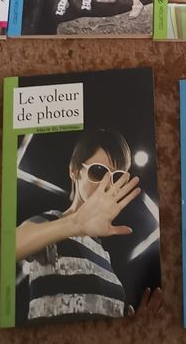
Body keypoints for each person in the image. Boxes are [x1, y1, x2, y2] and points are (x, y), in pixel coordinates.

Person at [15, 128, 154, 323]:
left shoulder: (104, 254)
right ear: (74, 172)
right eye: (98, 172)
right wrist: (76, 222)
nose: (107, 185)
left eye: (116, 177)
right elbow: (8, 248)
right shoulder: (52, 223)